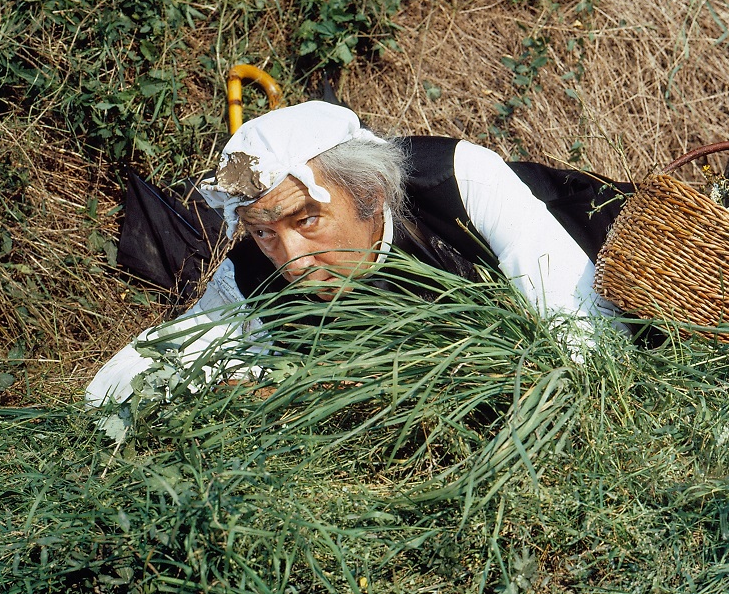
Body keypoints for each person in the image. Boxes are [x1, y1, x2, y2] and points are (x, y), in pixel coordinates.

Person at [86, 101, 628, 406]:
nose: (291, 261)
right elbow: (128, 378)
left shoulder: (456, 183)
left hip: (598, 241)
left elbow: (590, 339)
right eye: (265, 232)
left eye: (307, 220)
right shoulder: (254, 271)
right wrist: (242, 390)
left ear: (368, 195)